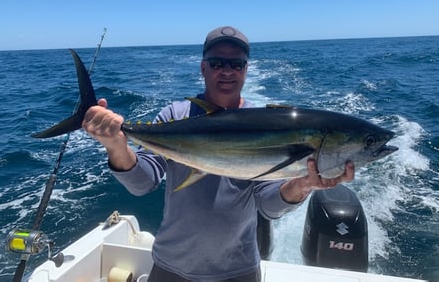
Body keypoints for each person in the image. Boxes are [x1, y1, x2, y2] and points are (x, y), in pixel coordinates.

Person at [82, 26, 355, 282]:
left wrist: (303, 183)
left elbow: (269, 207)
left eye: (236, 64)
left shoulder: (264, 123)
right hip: (170, 267)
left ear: (246, 70)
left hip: (238, 271)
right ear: (203, 68)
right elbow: (142, 184)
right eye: (217, 63)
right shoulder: (176, 116)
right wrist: (116, 146)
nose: (227, 71)